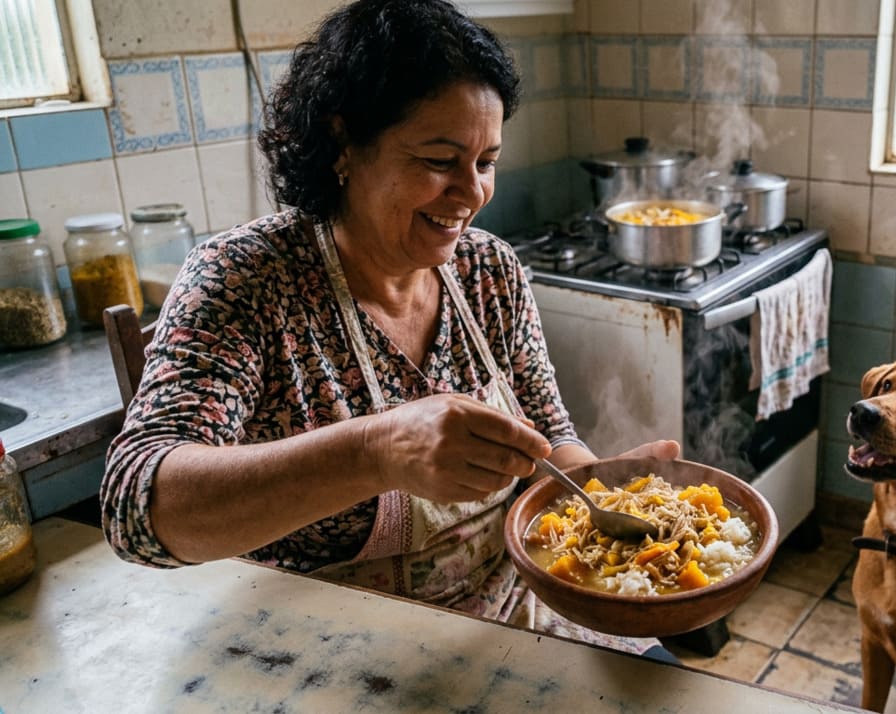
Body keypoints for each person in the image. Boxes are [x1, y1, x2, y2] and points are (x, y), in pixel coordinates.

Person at [100, 0, 679, 658]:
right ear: (344, 144)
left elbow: (550, 439)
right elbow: (134, 511)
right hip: (327, 655)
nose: (472, 193)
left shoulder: (490, 271)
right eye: (439, 160)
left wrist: (607, 490)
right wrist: (375, 452)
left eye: (485, 162)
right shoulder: (245, 281)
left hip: (508, 620)